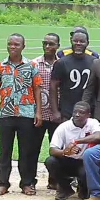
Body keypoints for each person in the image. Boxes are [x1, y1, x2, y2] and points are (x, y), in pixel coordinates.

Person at [0, 34, 43, 197]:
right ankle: (3, 183)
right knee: (4, 151)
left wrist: (38, 112)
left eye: (16, 44)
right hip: (6, 114)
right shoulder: (0, 66)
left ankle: (26, 183)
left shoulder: (31, 66)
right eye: (10, 44)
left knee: (25, 151)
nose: (13, 47)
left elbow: (37, 89)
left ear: (23, 47)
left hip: (26, 114)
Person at [44, 102, 100, 200]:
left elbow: (98, 136)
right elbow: (52, 150)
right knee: (50, 161)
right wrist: (65, 152)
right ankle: (65, 188)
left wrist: (77, 141)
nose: (77, 114)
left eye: (81, 112)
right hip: (67, 160)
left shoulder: (92, 123)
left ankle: (83, 188)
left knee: (86, 174)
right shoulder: (63, 127)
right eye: (75, 111)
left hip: (83, 162)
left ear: (88, 115)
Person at [32, 33, 61, 189]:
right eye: (45, 43)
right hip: (39, 113)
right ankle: (30, 180)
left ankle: (54, 180)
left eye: (51, 44)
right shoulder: (34, 64)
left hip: (57, 114)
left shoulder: (62, 64)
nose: (48, 46)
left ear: (58, 46)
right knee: (33, 148)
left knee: (56, 148)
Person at [51, 29, 96, 123]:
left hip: (89, 111)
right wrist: (55, 111)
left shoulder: (94, 62)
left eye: (82, 41)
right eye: (75, 41)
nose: (78, 43)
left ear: (87, 43)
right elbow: (53, 87)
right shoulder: (61, 63)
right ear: (71, 41)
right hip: (67, 112)